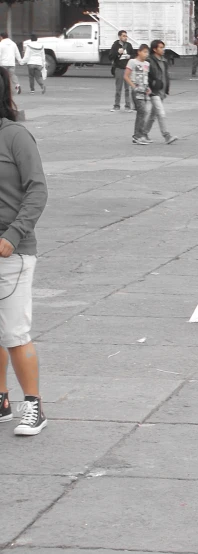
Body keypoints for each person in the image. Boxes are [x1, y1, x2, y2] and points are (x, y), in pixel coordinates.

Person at [0, 67, 49, 435]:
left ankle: (33, 405)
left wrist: (13, 235)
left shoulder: (15, 135)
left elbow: (37, 190)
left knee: (15, 332)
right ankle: (1, 400)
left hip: (11, 251)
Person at [143, 39, 178, 145]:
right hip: (154, 91)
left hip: (162, 91)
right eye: (160, 48)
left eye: (163, 47)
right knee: (161, 113)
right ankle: (166, 135)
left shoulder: (163, 60)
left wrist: (166, 89)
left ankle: (143, 133)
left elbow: (165, 75)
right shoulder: (149, 61)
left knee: (153, 114)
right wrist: (149, 86)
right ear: (154, 49)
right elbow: (146, 75)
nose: (163, 50)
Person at [124, 44, 152, 145]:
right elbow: (126, 76)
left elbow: (145, 77)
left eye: (147, 52)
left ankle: (140, 135)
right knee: (142, 111)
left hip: (144, 91)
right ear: (139, 52)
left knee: (142, 113)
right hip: (137, 91)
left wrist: (147, 87)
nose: (146, 54)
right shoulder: (132, 62)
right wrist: (133, 87)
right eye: (144, 52)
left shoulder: (147, 64)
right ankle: (137, 136)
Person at [109, 30, 135, 111]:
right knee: (118, 88)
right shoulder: (115, 45)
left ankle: (128, 106)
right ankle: (116, 105)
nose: (125, 37)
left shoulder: (129, 45)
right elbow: (110, 56)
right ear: (119, 36)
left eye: (126, 36)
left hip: (127, 69)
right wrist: (117, 53)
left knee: (127, 88)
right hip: (119, 68)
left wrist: (129, 56)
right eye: (123, 36)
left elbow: (133, 55)